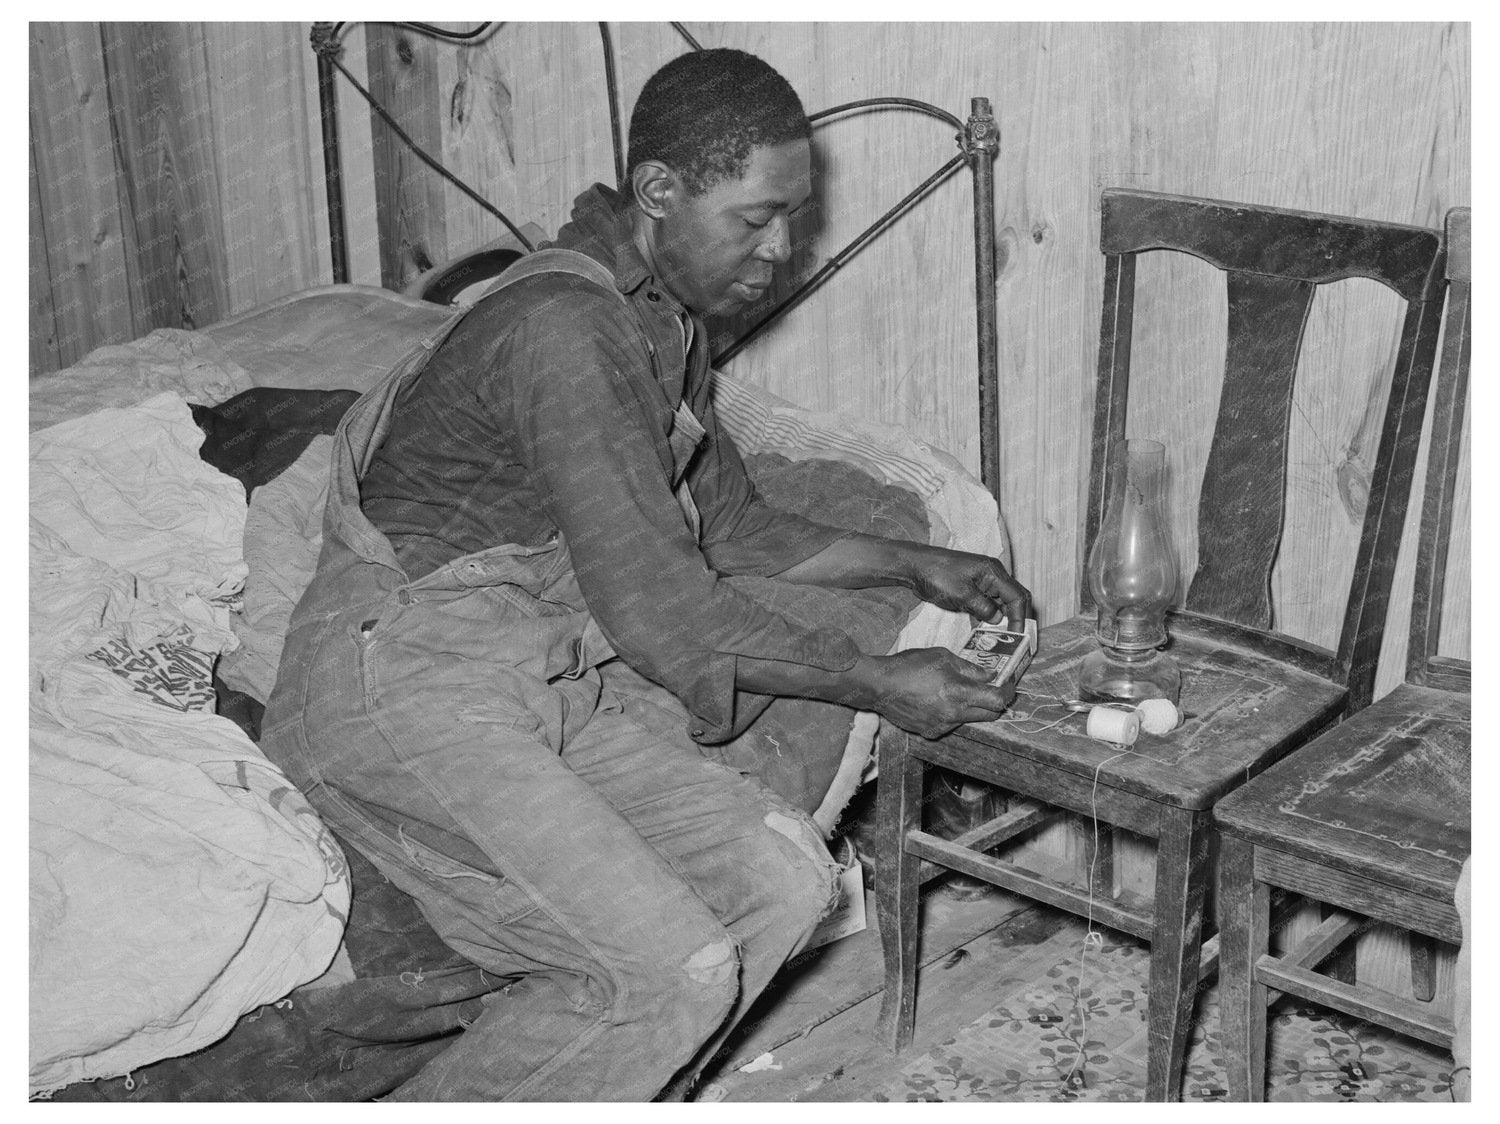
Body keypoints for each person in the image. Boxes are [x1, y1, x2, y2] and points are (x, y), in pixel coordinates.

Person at [261, 46, 1030, 1102]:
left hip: (523, 675)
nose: (782, 250)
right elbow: (668, 611)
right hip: (399, 677)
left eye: (795, 218)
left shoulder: (660, 324)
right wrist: (877, 679)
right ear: (659, 190)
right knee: (672, 965)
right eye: (755, 218)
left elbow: (734, 527)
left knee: (786, 883)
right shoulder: (562, 327)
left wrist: (921, 558)